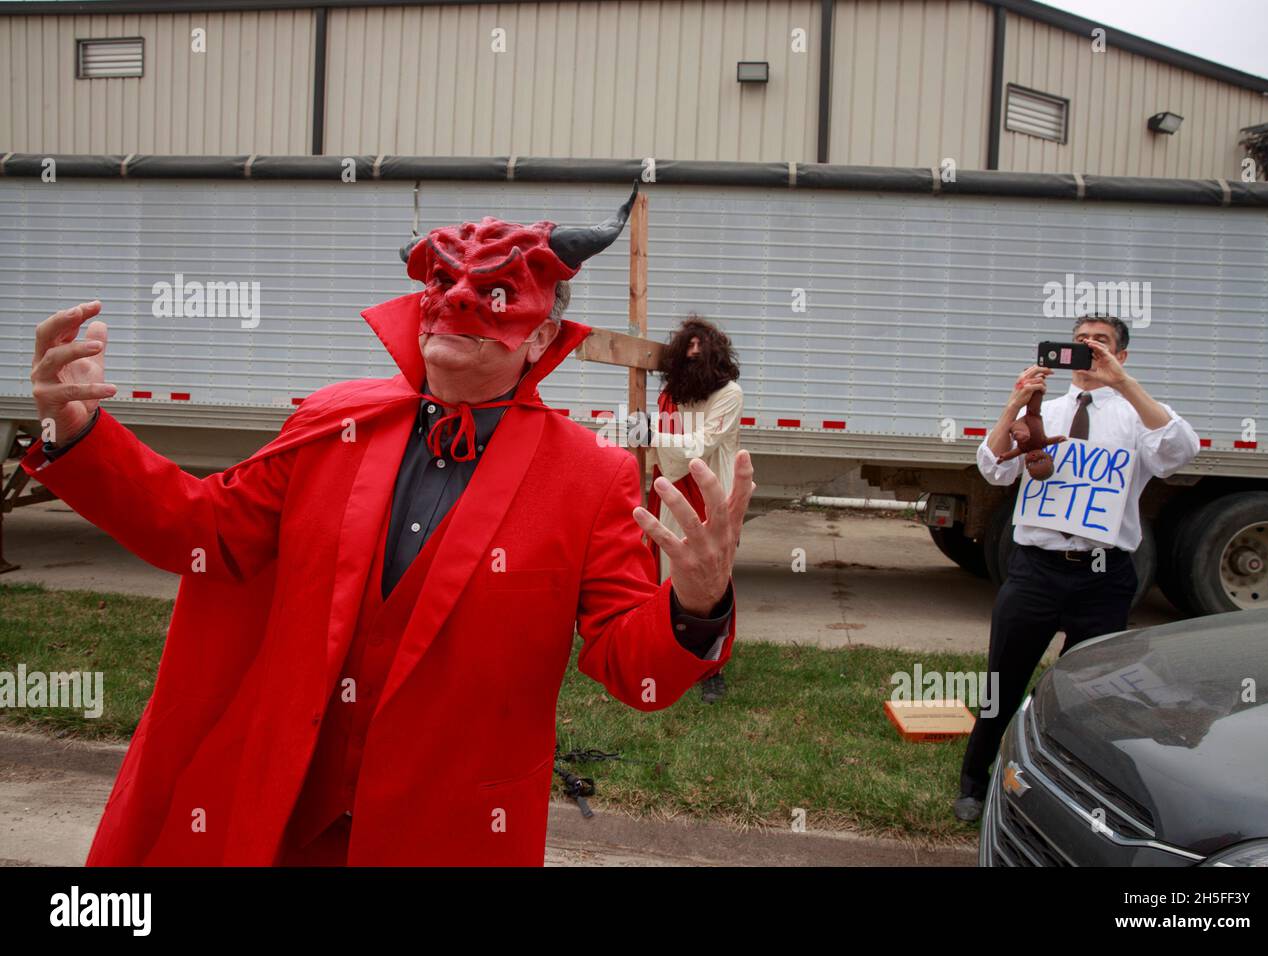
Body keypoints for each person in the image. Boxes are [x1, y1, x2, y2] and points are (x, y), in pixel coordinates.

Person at [23, 188, 757, 865]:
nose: (462, 302)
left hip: (448, 834)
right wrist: (79, 432)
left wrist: (696, 607)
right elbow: (202, 533)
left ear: (541, 337)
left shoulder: (587, 478)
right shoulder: (332, 423)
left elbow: (631, 669)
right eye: (445, 284)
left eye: (499, 294)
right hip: (285, 817)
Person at [952, 313, 1200, 822]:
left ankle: (1078, 790)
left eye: (1101, 343)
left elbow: (1180, 451)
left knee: (1093, 694)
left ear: (1120, 355)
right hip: (1035, 572)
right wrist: (1013, 404)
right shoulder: (1047, 408)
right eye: (1082, 341)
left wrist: (1123, 385)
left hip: (1103, 578)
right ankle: (975, 783)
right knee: (1003, 681)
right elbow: (992, 467)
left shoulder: (1136, 416)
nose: (1089, 348)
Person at [645, 316, 744, 703]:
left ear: (715, 359)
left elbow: (701, 444)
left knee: (711, 583)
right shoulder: (673, 393)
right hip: (671, 493)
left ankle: (710, 669)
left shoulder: (729, 394)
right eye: (686, 355)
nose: (692, 361)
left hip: (711, 498)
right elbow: (665, 450)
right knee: (666, 574)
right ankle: (666, 653)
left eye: (700, 356)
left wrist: (651, 432)